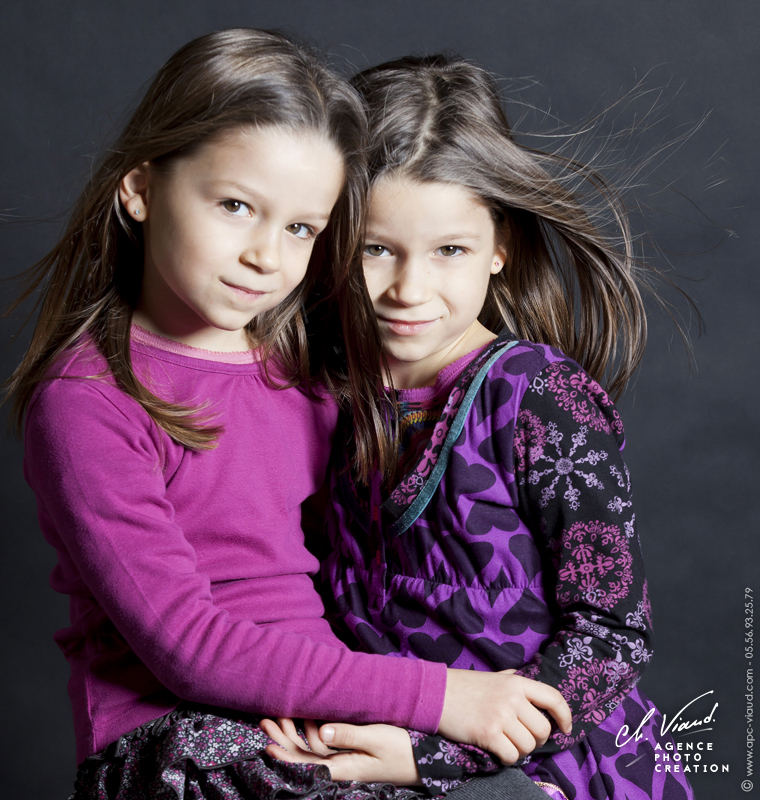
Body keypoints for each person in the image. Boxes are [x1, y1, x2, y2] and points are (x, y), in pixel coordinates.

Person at [5, 34, 571, 800]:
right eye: (236, 206)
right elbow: (188, 647)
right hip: (178, 734)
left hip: (319, 710)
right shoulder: (90, 398)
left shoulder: (304, 377)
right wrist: (442, 697)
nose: (266, 256)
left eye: (302, 228)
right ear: (139, 190)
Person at [263, 55, 697, 800]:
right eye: (376, 249)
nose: (408, 289)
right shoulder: (325, 394)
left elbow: (610, 637)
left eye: (450, 251)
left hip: (539, 766)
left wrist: (428, 756)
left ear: (500, 248)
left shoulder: (540, 398)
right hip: (379, 745)